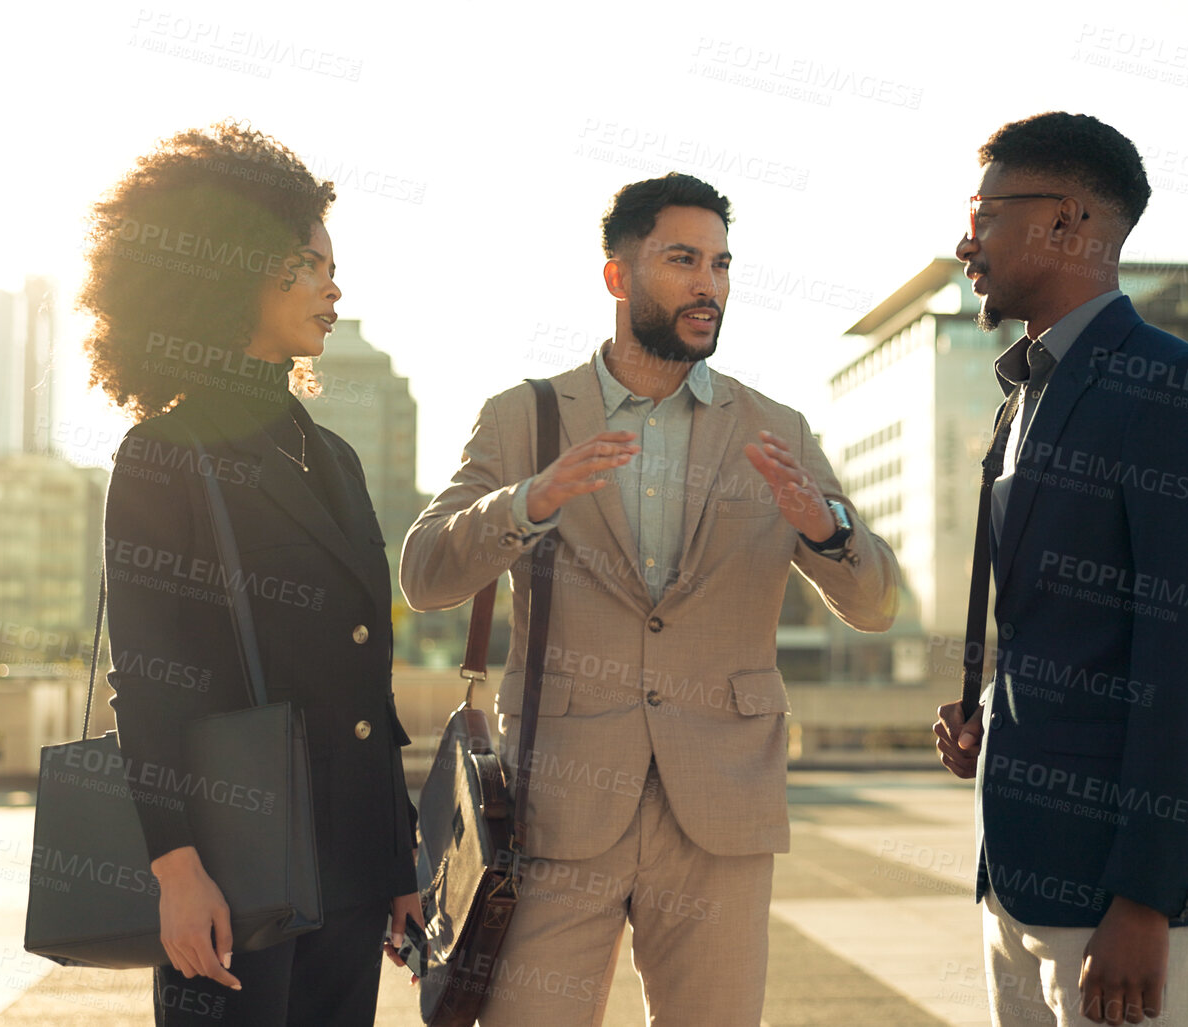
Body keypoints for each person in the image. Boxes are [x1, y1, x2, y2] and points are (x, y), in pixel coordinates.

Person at [400, 172, 900, 1025]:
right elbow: (425, 573)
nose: (708, 284)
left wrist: (826, 528)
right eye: (682, 260)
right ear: (617, 275)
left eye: (720, 263)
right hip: (556, 805)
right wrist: (528, 500)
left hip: (722, 809)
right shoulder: (525, 416)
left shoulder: (773, 427)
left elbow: (878, 604)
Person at [931, 113, 1188, 1027]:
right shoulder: (1030, 392)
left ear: (1069, 222)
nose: (965, 239)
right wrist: (993, 716)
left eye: (985, 212)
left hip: (1122, 901)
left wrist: (1146, 899)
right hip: (1021, 871)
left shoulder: (1170, 391)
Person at [83, 122, 421, 1026]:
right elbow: (148, 683)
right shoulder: (163, 455)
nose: (333, 286)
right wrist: (176, 867)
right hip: (232, 874)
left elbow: (365, 681)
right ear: (240, 268)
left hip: (349, 868)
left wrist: (396, 861)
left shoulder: (336, 457)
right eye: (311, 264)